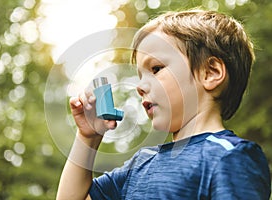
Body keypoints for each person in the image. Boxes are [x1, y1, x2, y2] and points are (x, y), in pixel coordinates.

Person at [56, 9, 271, 200]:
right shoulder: (139, 165)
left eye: (156, 68)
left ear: (210, 72)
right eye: (140, 75)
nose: (140, 86)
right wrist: (88, 139)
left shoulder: (230, 157)